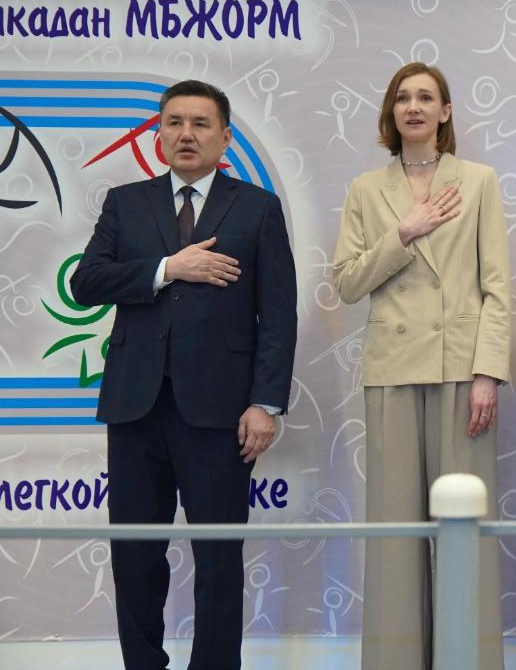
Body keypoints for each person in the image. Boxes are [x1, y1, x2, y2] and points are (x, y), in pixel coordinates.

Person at [70, 79, 297, 670]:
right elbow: (85, 283)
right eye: (174, 122)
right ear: (159, 134)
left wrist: (266, 403)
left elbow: (278, 314)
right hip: (135, 406)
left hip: (222, 411)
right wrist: (169, 267)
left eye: (200, 123)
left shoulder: (257, 207)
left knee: (218, 558)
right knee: (135, 556)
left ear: (225, 137)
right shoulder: (125, 202)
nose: (186, 134)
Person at [331, 62, 511, 670]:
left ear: (445, 111)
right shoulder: (366, 189)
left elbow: (496, 287)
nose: (414, 106)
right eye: (403, 97)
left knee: (467, 529)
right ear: (392, 111)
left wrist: (487, 373)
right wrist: (402, 234)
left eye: (426, 97)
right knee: (395, 535)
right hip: (392, 369)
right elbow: (346, 283)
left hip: (462, 371)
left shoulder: (479, 181)